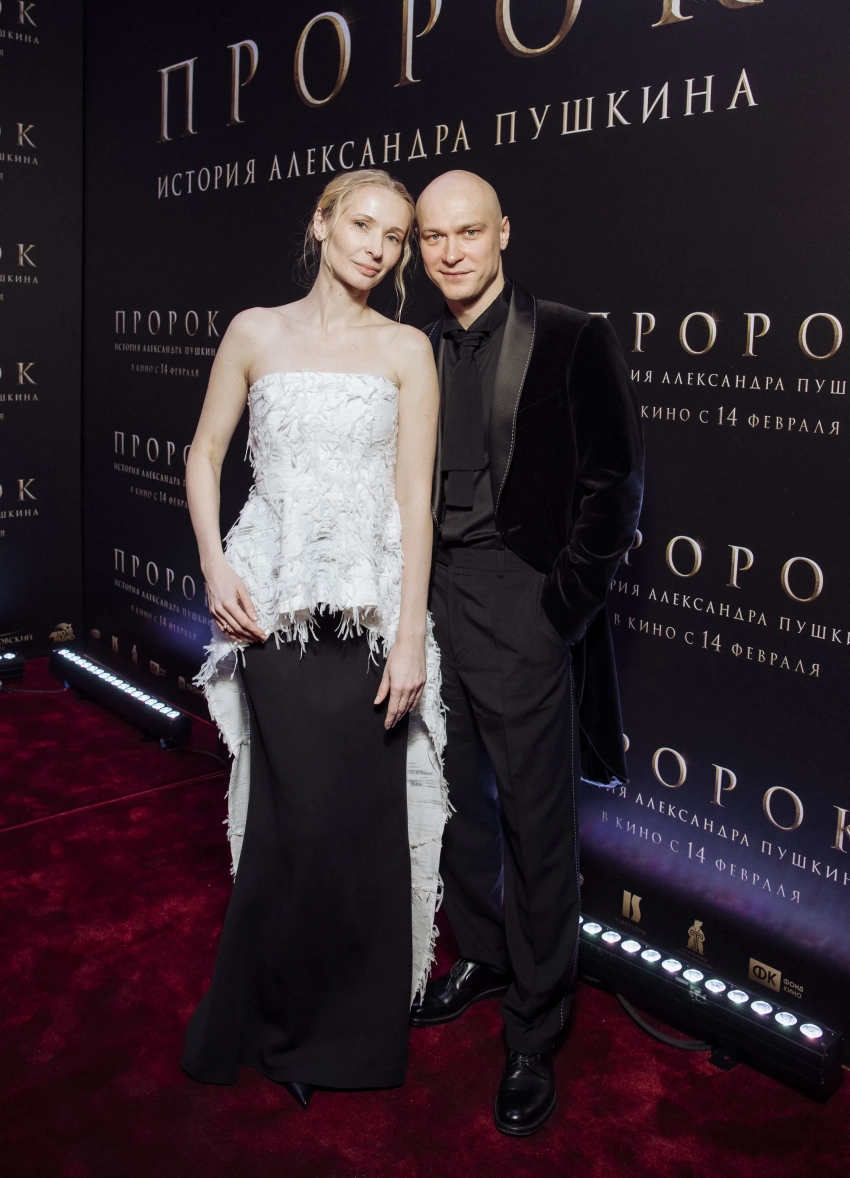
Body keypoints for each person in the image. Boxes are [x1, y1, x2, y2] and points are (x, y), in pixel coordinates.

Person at [181, 169, 448, 1106]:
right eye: (363, 224)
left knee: (360, 833)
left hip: (366, 626)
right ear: (323, 224)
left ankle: (352, 1040)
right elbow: (204, 453)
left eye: (396, 235)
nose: (378, 246)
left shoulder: (407, 349)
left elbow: (415, 502)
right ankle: (274, 1025)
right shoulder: (255, 331)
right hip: (273, 614)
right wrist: (214, 563)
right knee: (291, 828)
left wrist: (409, 636)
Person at [411, 170, 644, 1136]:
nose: (452, 252)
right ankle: (484, 953)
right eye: (434, 238)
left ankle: (537, 1024)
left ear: (503, 232)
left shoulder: (573, 337)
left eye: (469, 232)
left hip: (522, 602)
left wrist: (558, 611)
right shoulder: (415, 345)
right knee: (456, 802)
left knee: (537, 826)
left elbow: (614, 486)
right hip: (430, 599)